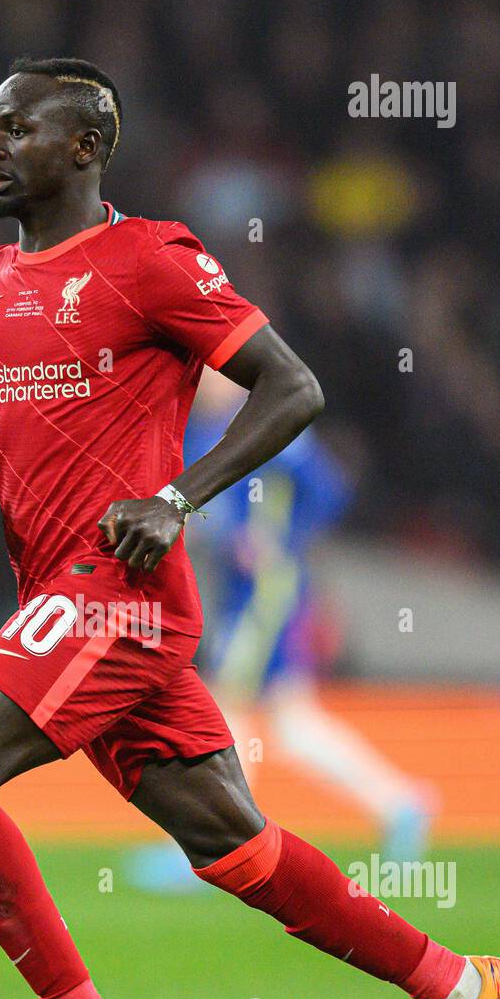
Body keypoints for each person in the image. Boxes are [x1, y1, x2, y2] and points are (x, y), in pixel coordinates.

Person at [0, 59, 500, 999]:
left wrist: (175, 497)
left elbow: (292, 386)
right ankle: (460, 988)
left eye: (15, 127)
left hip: (116, 599)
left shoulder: (150, 259)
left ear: (83, 147)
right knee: (237, 847)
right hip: (63, 598)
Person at [129, 368, 435, 894]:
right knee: (293, 725)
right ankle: (401, 803)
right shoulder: (201, 435)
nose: (206, 386)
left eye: (216, 376)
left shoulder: (270, 429)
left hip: (266, 594)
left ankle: (220, 844)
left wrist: (282, 543)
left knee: (228, 708)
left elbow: (331, 491)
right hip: (239, 594)